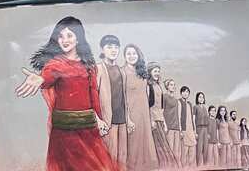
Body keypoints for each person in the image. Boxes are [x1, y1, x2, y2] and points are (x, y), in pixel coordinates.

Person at [16, 16, 118, 171]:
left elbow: (93, 96)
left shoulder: (89, 66)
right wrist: (40, 79)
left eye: (69, 35)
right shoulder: (55, 64)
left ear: (78, 39)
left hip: (88, 130)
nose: (65, 40)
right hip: (64, 133)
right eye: (61, 36)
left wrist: (98, 119)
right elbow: (48, 77)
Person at [120, 44, 158, 171]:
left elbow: (147, 97)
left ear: (138, 55)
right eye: (128, 54)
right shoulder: (122, 72)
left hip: (144, 114)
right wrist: (128, 119)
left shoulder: (143, 73)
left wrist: (151, 117)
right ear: (124, 56)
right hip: (131, 113)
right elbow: (122, 97)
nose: (131, 56)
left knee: (146, 142)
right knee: (133, 144)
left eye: (134, 53)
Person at [96, 35, 128, 169]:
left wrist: (129, 119)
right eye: (109, 47)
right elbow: (91, 95)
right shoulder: (98, 68)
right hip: (108, 120)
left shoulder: (122, 71)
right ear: (102, 50)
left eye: (116, 47)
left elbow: (124, 97)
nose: (113, 50)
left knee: (123, 157)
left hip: (122, 120)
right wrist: (97, 119)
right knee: (110, 157)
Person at [146, 63, 178, 167]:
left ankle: (170, 166)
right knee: (158, 145)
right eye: (155, 71)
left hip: (160, 118)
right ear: (150, 72)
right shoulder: (148, 85)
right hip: (153, 119)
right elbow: (148, 104)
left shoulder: (159, 86)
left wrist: (164, 121)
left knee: (164, 144)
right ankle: (164, 166)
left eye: (158, 71)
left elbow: (160, 107)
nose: (157, 73)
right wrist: (151, 120)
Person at [193, 92, 210, 166]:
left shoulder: (205, 108)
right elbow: (193, 119)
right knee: (199, 148)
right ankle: (198, 165)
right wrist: (195, 131)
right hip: (199, 128)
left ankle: (205, 165)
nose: (201, 98)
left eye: (202, 97)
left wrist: (208, 132)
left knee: (206, 148)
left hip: (206, 129)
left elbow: (208, 120)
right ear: (197, 98)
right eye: (200, 97)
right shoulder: (195, 107)